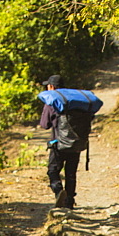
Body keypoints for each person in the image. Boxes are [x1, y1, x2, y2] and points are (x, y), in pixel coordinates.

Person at [39, 74, 79, 210]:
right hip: (75, 143)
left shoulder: (51, 102)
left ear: (51, 86)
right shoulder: (74, 101)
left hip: (58, 144)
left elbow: (45, 124)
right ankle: (69, 201)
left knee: (53, 171)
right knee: (71, 173)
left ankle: (58, 192)